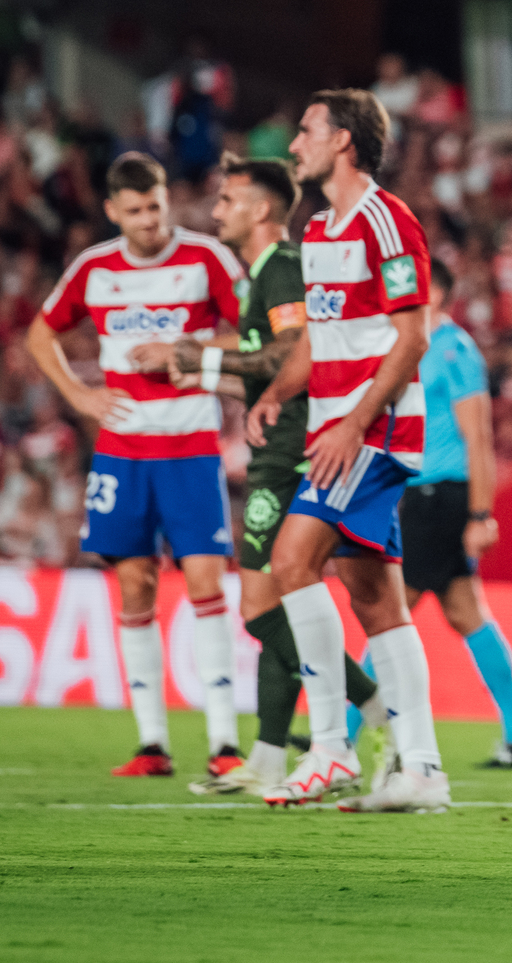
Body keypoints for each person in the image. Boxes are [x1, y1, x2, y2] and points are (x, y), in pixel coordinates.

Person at [130, 155, 387, 797]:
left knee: (259, 607)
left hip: (292, 448)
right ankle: (271, 757)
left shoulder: (282, 268)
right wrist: (205, 373)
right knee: (272, 604)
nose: (215, 211)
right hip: (279, 442)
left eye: (227, 200)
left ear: (261, 209)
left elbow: (290, 353)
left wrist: (192, 352)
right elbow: (267, 365)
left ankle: (378, 708)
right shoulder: (261, 276)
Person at [247, 88, 447, 812]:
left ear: (343, 142)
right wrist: (277, 394)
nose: (294, 144)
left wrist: (356, 422)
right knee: (375, 598)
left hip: (376, 428)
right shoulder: (323, 230)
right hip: (340, 427)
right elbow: (319, 339)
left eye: (305, 131)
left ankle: (330, 748)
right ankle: (422, 769)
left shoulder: (385, 221)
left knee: (292, 560)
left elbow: (412, 335)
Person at [25, 152, 246, 778]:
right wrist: (81, 396)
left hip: (191, 446)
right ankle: (152, 743)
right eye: (137, 211)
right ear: (112, 212)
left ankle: (224, 744)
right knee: (135, 585)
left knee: (205, 582)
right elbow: (40, 337)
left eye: (156, 206)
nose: (150, 221)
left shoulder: (206, 259)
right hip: (122, 451)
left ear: (166, 199)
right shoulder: (94, 269)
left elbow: (255, 331)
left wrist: (189, 346)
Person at [381, 257, 512, 769]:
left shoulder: (453, 349)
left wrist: (479, 514)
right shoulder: (417, 347)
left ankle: (343, 731)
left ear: (432, 295)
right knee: (465, 612)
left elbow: (479, 438)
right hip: (424, 495)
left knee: (387, 610)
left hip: (440, 498)